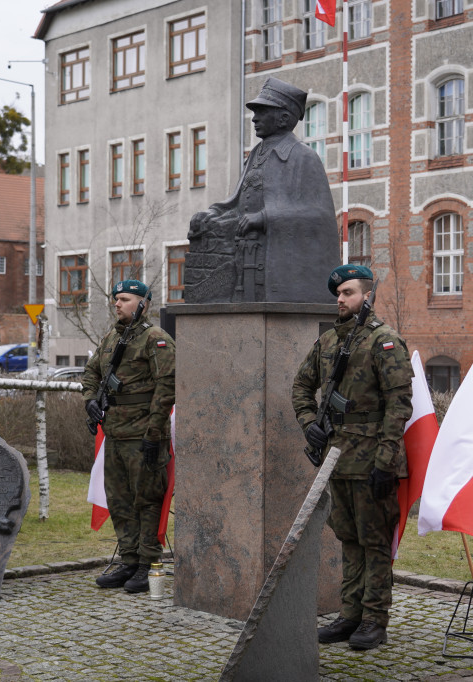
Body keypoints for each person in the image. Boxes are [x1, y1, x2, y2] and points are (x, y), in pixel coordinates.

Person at [291, 264, 414, 650]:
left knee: (374, 540)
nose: (341, 300)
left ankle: (374, 621)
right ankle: (350, 614)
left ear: (367, 296)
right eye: (338, 294)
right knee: (348, 537)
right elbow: (301, 385)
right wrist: (310, 422)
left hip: (373, 458)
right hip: (337, 457)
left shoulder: (385, 341)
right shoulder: (328, 342)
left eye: (348, 293)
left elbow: (399, 405)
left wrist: (386, 460)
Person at [187, 77, 338, 304]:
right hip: (246, 260)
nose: (254, 118)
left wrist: (265, 218)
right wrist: (213, 213)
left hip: (278, 268)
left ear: (283, 118)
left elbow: (320, 216)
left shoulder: (303, 157)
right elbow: (237, 202)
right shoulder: (256, 154)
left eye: (262, 112)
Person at [82, 279, 175, 593]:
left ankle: (148, 563)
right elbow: (92, 371)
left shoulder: (156, 339)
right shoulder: (110, 338)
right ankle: (129, 560)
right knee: (119, 499)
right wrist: (91, 400)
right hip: (117, 434)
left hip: (144, 434)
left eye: (124, 299)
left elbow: (167, 389)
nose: (117, 304)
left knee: (146, 499)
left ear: (142, 304)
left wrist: (155, 433)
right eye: (115, 299)